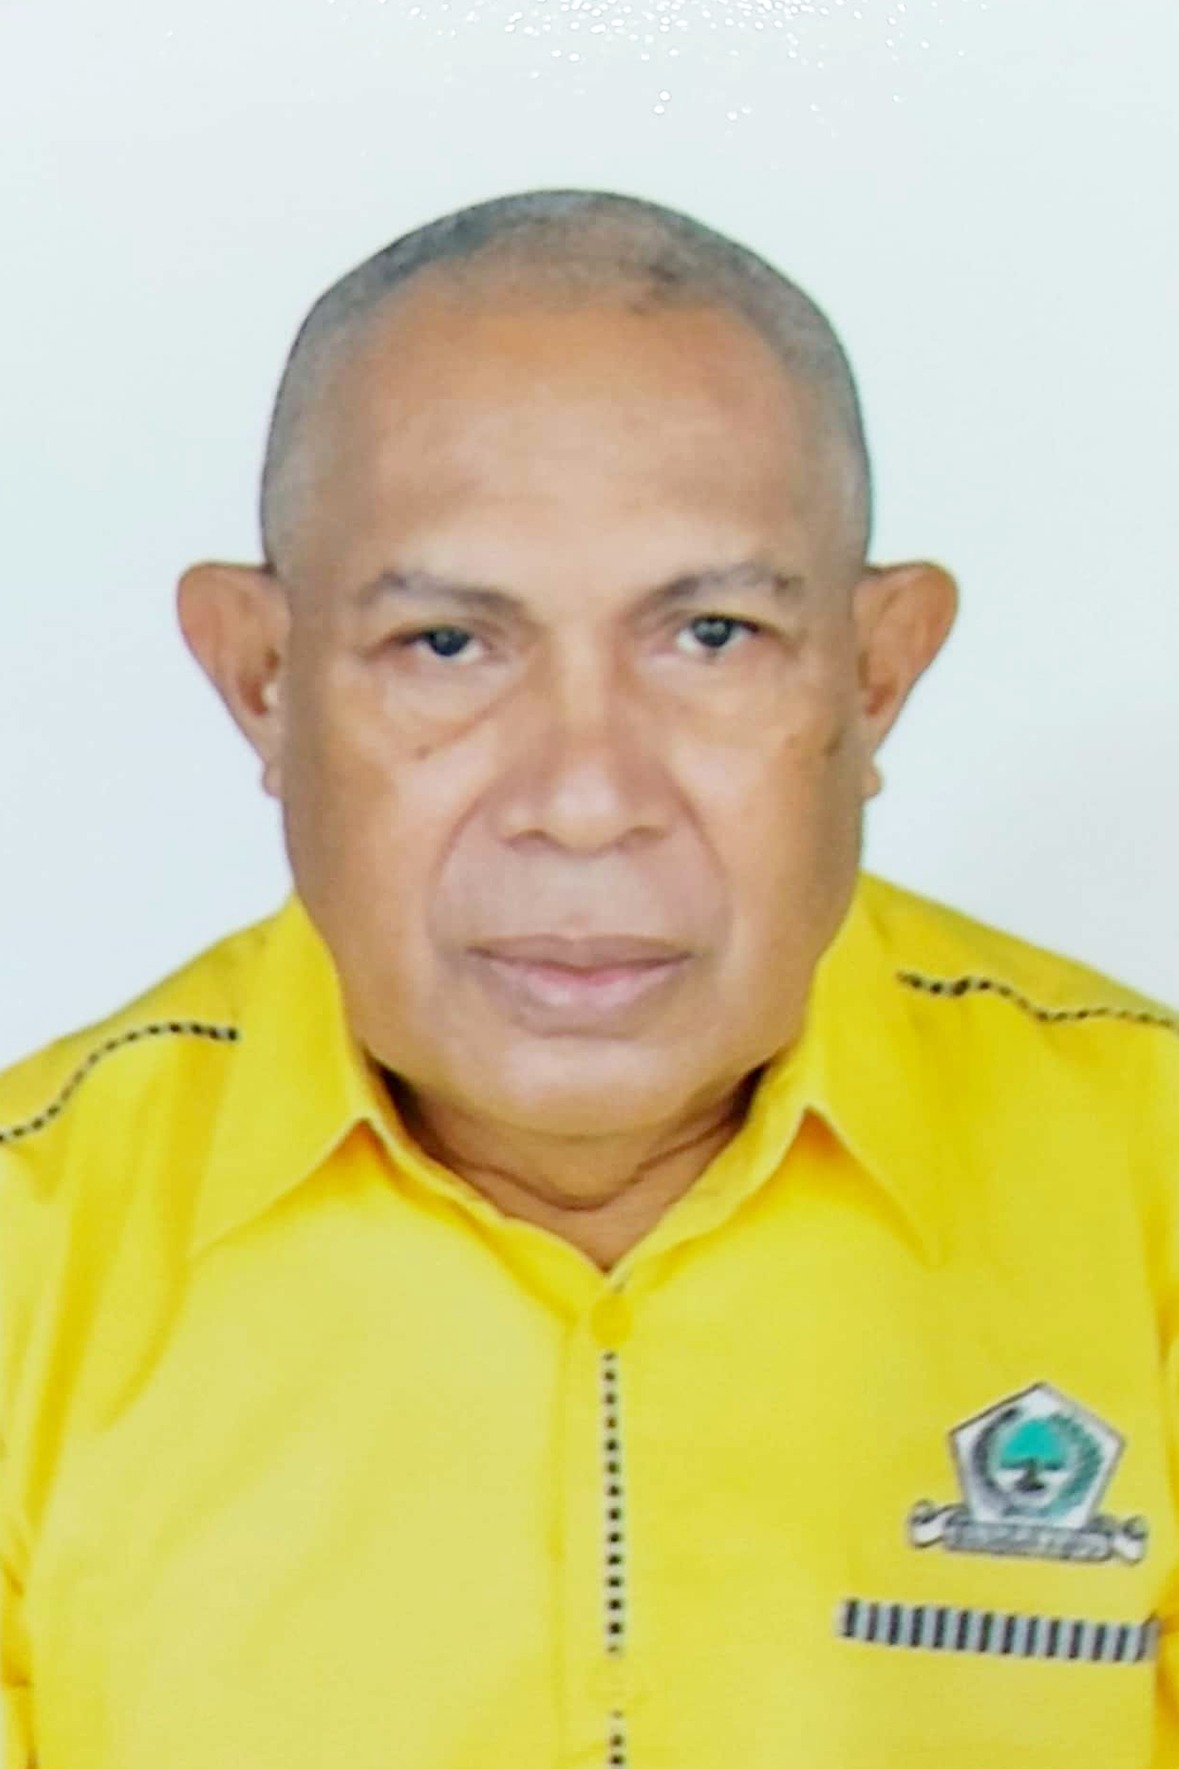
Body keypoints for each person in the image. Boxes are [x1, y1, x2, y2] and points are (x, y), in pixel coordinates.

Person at [2, 186, 1176, 1769]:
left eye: (711, 635)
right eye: (446, 645)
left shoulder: (1151, 1192)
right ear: (263, 679)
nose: (582, 798)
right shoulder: (30, 1248)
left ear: (875, 671)